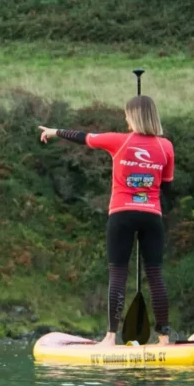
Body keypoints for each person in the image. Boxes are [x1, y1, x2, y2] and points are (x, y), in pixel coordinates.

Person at [38, 95, 175, 347]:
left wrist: (55, 131)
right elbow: (166, 187)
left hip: (122, 215)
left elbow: (84, 137)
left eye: (127, 115)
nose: (125, 118)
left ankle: (110, 338)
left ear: (133, 117)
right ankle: (164, 338)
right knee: (155, 275)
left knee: (118, 274)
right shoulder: (166, 146)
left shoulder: (118, 141)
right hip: (152, 215)